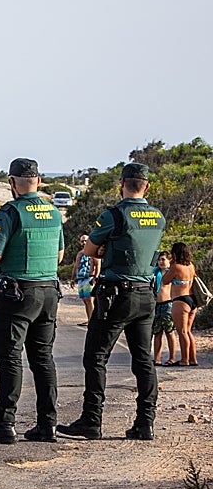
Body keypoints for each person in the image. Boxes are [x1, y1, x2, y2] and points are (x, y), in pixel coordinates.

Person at [58, 163, 166, 441]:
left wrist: (105, 248)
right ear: (147, 186)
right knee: (143, 360)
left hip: (116, 293)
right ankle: (145, 422)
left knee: (95, 357)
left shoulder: (114, 215)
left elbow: (90, 250)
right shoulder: (157, 217)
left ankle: (92, 420)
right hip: (145, 294)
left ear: (122, 183)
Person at [0, 159, 65, 444]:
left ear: (12, 182)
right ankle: (48, 425)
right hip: (49, 292)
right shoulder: (53, 211)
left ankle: (5, 423)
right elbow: (60, 256)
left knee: (10, 360)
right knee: (43, 360)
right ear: (39, 180)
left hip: (17, 294)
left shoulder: (11, 212)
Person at [163, 242, 199, 367]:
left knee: (182, 331)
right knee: (188, 331)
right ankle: (193, 358)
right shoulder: (191, 266)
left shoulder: (176, 267)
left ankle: (184, 359)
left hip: (180, 300)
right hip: (192, 299)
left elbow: (165, 280)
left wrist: (171, 265)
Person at [152, 250, 178, 365]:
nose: (161, 262)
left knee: (169, 332)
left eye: (163, 259)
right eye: (159, 260)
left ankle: (172, 358)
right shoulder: (155, 272)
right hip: (156, 305)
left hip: (168, 304)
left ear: (169, 260)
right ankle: (157, 358)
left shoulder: (171, 273)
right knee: (157, 332)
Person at [72, 234, 101, 324]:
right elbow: (76, 266)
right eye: (82, 241)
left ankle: (93, 321)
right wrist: (73, 278)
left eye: (85, 240)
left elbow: (98, 265)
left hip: (89, 278)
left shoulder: (93, 252)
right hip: (81, 279)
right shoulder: (80, 253)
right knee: (85, 300)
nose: (84, 242)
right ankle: (89, 319)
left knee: (90, 300)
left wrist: (95, 277)